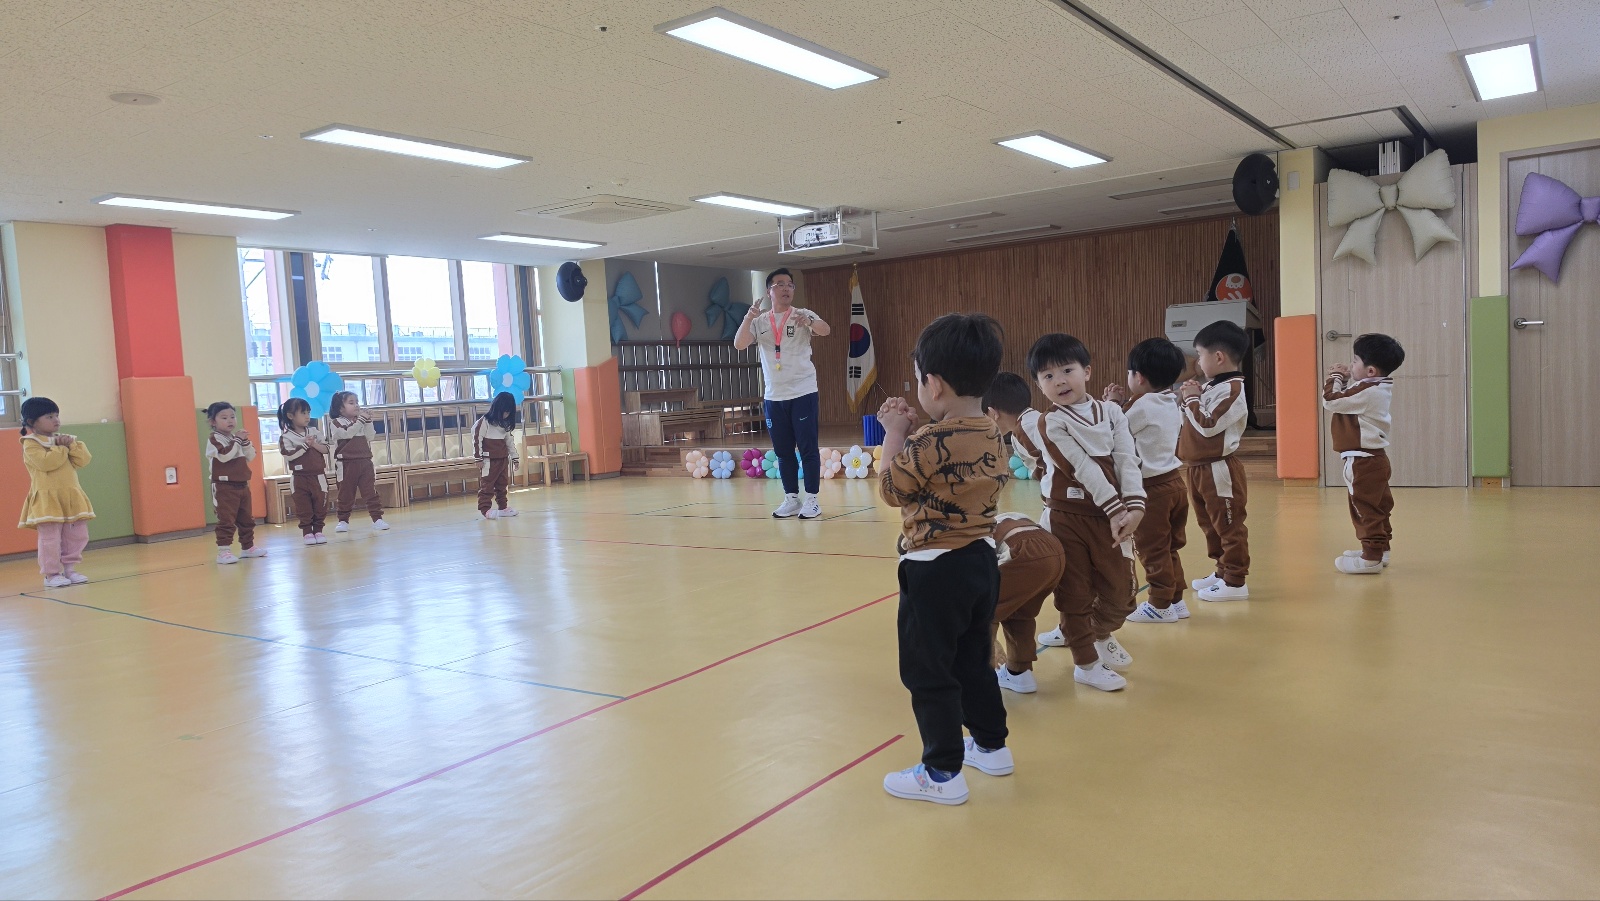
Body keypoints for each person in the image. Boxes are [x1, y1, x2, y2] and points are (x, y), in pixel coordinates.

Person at [877, 313, 1011, 806]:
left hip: (934, 568)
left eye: (919, 380)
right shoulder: (991, 430)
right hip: (981, 561)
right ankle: (992, 746)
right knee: (974, 660)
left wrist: (894, 432)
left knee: (927, 670)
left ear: (933, 384)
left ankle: (942, 771)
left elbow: (891, 489)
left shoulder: (926, 442)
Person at [1026, 334, 1145, 692]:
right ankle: (1086, 663)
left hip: (1111, 514)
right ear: (1039, 385)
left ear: (1087, 371)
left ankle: (1095, 633)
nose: (1059, 381)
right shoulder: (1050, 422)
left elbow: (1126, 458)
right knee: (1075, 592)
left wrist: (1135, 504)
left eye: (1067, 370)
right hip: (1068, 516)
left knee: (1122, 591)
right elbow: (1080, 466)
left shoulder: (1111, 412)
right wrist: (1116, 508)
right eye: (1048, 376)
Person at [733, 268, 831, 520]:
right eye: (780, 284)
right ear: (769, 291)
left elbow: (825, 330)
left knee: (808, 448)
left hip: (803, 392)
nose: (786, 288)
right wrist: (748, 318)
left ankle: (812, 499)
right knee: (783, 451)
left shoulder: (802, 314)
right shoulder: (760, 322)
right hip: (774, 396)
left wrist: (810, 322)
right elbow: (739, 344)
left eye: (790, 284)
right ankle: (791, 498)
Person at [1106, 338, 1192, 623]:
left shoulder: (1141, 406)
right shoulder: (1170, 401)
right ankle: (1175, 599)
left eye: (1130, 373)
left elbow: (1111, 431)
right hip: (1174, 483)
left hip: (1151, 489)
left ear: (1139, 377)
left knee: (1152, 549)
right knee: (1169, 547)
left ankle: (1159, 604)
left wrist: (1111, 403)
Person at [1179, 320, 1251, 601]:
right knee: (1209, 524)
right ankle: (1222, 569)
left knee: (1228, 525)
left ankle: (1235, 581)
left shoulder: (1232, 389)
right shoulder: (1212, 386)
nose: (1198, 362)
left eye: (1200, 355)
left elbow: (1208, 425)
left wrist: (1192, 400)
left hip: (1218, 468)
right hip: (1197, 467)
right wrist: (1191, 398)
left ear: (1218, 357)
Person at [1323, 333, 1404, 574]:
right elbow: (1348, 399)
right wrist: (1346, 380)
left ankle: (1371, 558)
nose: (1350, 365)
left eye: (1355, 361)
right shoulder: (1373, 386)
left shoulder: (1368, 391)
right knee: (1378, 506)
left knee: (1364, 509)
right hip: (1373, 459)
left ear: (1370, 371)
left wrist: (1335, 377)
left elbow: (1331, 400)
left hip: (1362, 461)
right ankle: (1381, 549)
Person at [17, 397, 95, 588]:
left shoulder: (65, 440)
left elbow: (83, 460)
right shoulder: (30, 443)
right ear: (32, 422)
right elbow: (46, 463)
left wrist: (71, 446)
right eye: (49, 416)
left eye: (57, 415)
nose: (56, 420)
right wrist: (61, 447)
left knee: (76, 535)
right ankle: (51, 574)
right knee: (50, 539)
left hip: (70, 496)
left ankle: (70, 569)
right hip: (47, 499)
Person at [205, 401, 267, 565]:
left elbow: (250, 456)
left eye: (232, 416)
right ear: (213, 422)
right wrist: (238, 440)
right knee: (226, 519)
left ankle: (248, 547)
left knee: (246, 519)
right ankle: (223, 551)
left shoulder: (235, 439)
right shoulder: (214, 439)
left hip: (242, 485)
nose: (230, 420)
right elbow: (225, 456)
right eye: (224, 417)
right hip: (224, 486)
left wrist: (244, 442)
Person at [328, 391, 389, 533]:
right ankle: (343, 520)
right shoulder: (336, 423)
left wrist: (368, 421)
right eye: (351, 403)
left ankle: (377, 519)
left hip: (365, 461)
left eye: (357, 402)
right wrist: (361, 419)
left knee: (370, 491)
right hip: (346, 464)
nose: (356, 405)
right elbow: (347, 433)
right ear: (340, 408)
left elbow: (370, 436)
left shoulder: (360, 421)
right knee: (345, 493)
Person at [278, 397, 329, 545]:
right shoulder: (286, 437)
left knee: (320, 503)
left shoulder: (314, 431)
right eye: (303, 413)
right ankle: (307, 532)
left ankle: (318, 530)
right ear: (290, 416)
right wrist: (305, 446)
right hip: (299, 477)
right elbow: (288, 455)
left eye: (308, 413)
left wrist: (314, 444)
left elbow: (326, 448)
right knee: (303, 505)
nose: (307, 416)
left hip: (318, 476)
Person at [474, 392, 520, 520]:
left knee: (502, 484)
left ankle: (503, 507)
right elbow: (477, 440)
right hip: (488, 461)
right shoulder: (484, 422)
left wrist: (515, 458)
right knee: (487, 485)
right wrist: (478, 458)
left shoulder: (505, 424)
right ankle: (485, 509)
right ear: (496, 408)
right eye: (504, 412)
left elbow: (509, 442)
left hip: (503, 459)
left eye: (508, 412)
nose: (506, 415)